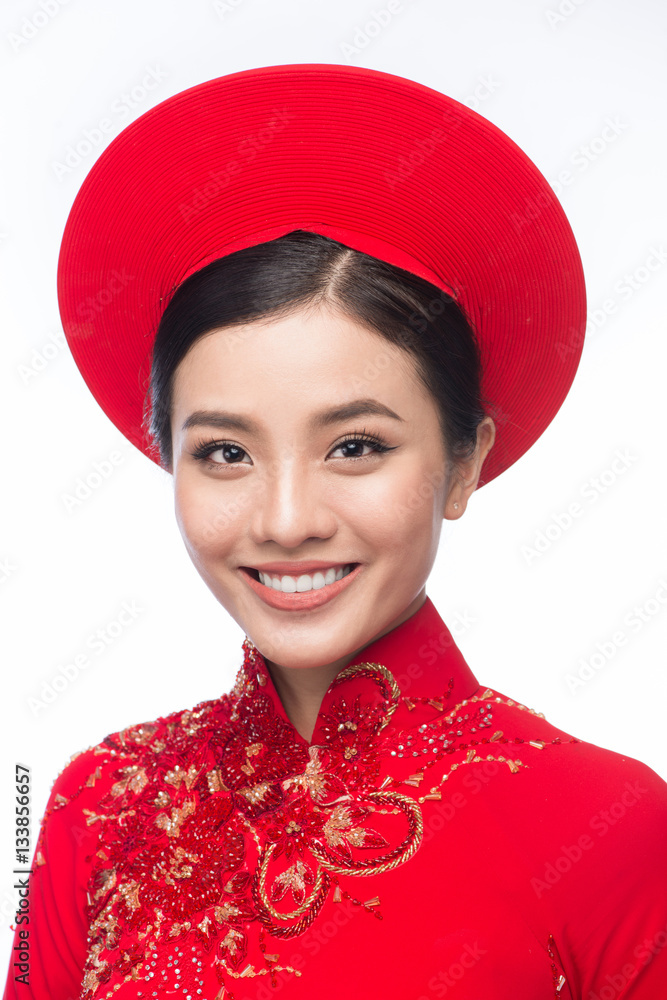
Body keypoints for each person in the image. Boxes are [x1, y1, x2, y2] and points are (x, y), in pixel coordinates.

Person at [4, 63, 667, 1000]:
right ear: (167, 460)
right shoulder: (95, 806)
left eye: (354, 446)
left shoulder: (611, 826)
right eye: (226, 454)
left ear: (464, 463)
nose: (286, 520)